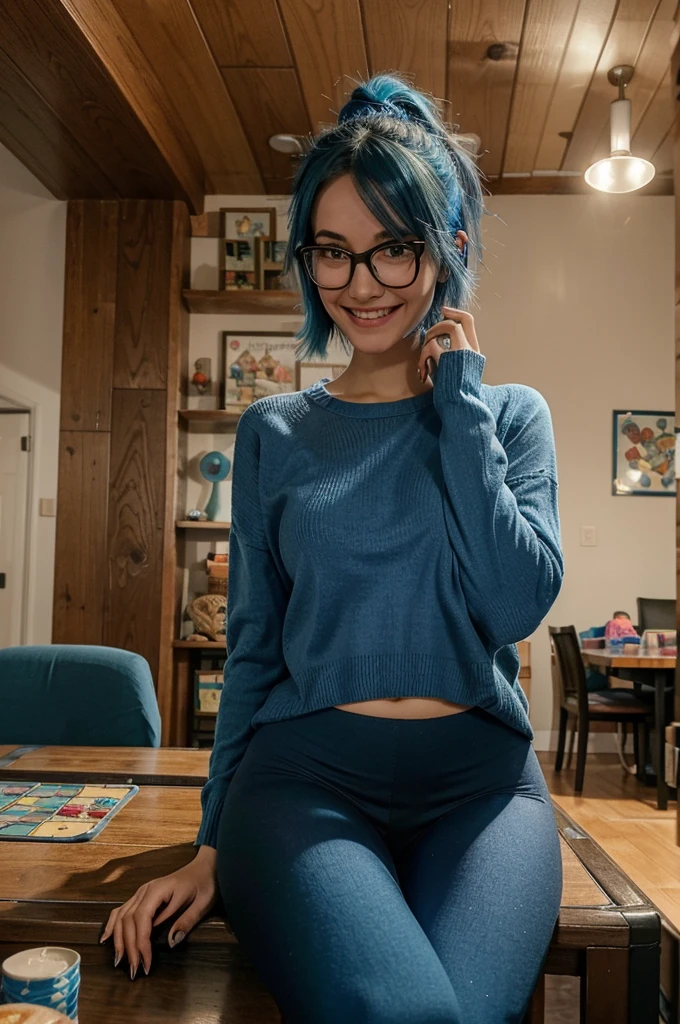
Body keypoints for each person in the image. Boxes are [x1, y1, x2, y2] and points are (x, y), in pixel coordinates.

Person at [101, 72, 565, 1023]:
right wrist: (212, 844)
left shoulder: (509, 417)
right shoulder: (275, 430)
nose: (363, 286)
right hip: (305, 779)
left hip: (483, 790)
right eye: (334, 253)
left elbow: (515, 607)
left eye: (394, 250)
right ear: (306, 258)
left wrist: (461, 405)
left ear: (446, 251)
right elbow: (255, 646)